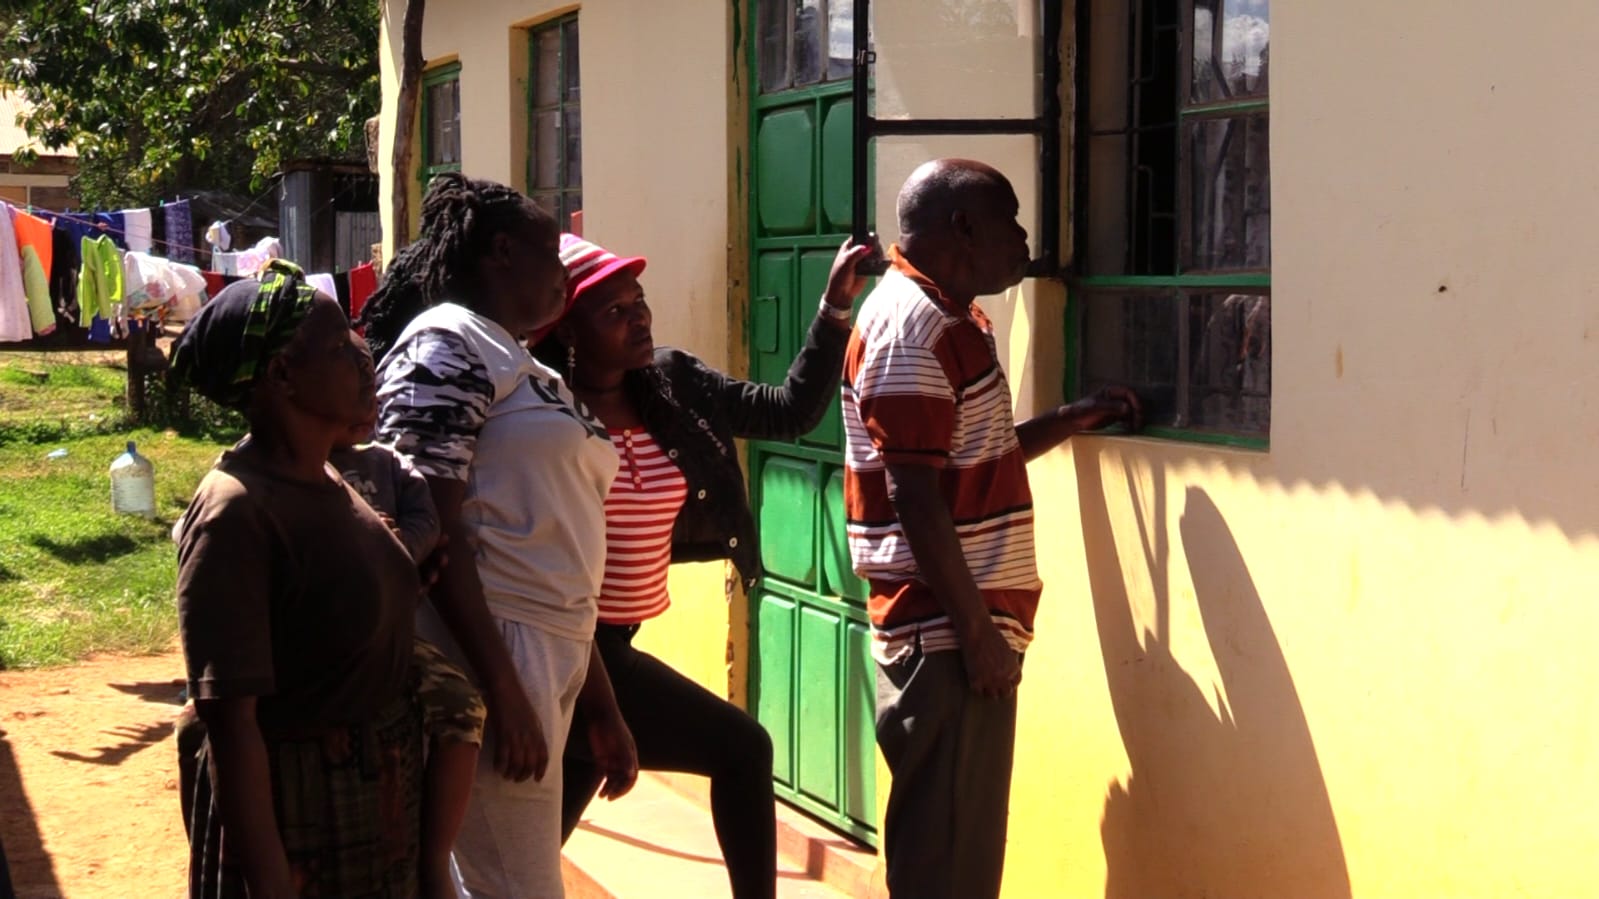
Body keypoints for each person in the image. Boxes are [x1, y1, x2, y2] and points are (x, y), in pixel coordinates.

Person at [533, 233, 877, 899]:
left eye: (640, 302)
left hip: (615, 643)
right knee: (741, 749)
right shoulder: (542, 410)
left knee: (528, 846)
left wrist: (835, 309)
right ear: (566, 329)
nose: (639, 317)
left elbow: (788, 411)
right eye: (613, 311)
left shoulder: (672, 384)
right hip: (565, 647)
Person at [841, 159, 1142, 899]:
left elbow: (963, 458)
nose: (1024, 239)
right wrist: (976, 633)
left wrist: (1069, 419)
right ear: (963, 228)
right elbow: (915, 496)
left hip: (956, 631)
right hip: (946, 635)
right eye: (1010, 221)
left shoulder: (946, 317)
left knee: (955, 851)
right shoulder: (913, 327)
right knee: (947, 863)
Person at [363, 173, 637, 898]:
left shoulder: (523, 364)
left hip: (552, 649)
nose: (564, 276)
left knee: (489, 879)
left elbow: (560, 545)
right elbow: (427, 524)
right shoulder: (448, 341)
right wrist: (501, 688)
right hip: (494, 647)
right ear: (502, 253)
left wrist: (602, 706)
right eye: (553, 256)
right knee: (513, 886)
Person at [171, 259, 423, 898]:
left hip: (374, 799)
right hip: (306, 817)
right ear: (282, 373)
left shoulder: (328, 475)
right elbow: (232, 727)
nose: (363, 359)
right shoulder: (236, 512)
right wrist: (273, 882)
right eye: (340, 347)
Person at [330, 419, 487, 899]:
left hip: (388, 634)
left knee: (462, 707)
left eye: (372, 385)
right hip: (313, 633)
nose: (371, 398)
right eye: (356, 380)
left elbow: (427, 524)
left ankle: (437, 859)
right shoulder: (296, 467)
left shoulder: (389, 462)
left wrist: (396, 550)